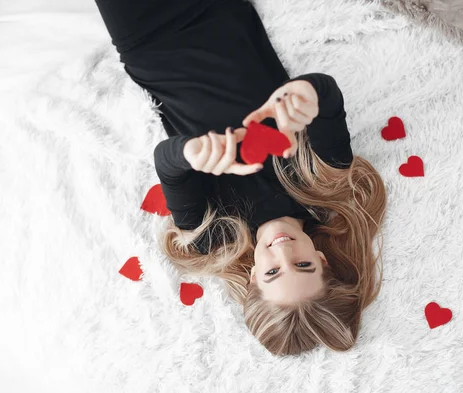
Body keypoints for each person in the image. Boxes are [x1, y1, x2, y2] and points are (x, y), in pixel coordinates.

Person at [94, 0, 387, 356]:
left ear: (252, 279)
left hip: (148, 38)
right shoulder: (324, 182)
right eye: (302, 265)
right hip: (221, 12)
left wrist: (190, 152)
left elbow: (166, 163)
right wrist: (307, 94)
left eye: (273, 273)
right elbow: (327, 95)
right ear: (322, 259)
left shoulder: (213, 235)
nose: (282, 250)